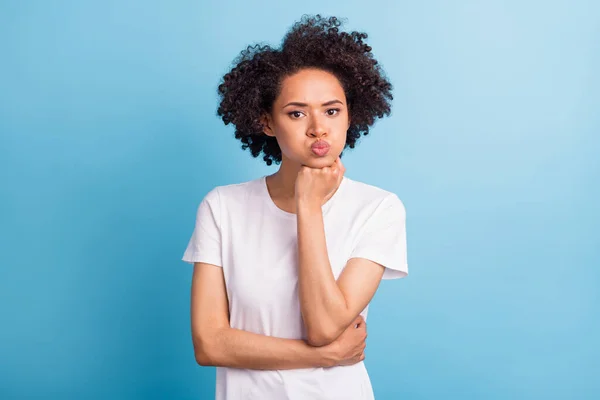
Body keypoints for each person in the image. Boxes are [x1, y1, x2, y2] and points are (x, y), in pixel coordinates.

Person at [182, 14, 408, 400]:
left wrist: (308, 205)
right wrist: (324, 356)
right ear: (267, 122)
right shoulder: (222, 207)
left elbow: (322, 326)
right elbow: (210, 345)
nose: (318, 127)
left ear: (351, 116)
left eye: (332, 110)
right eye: (297, 112)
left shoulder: (378, 208)